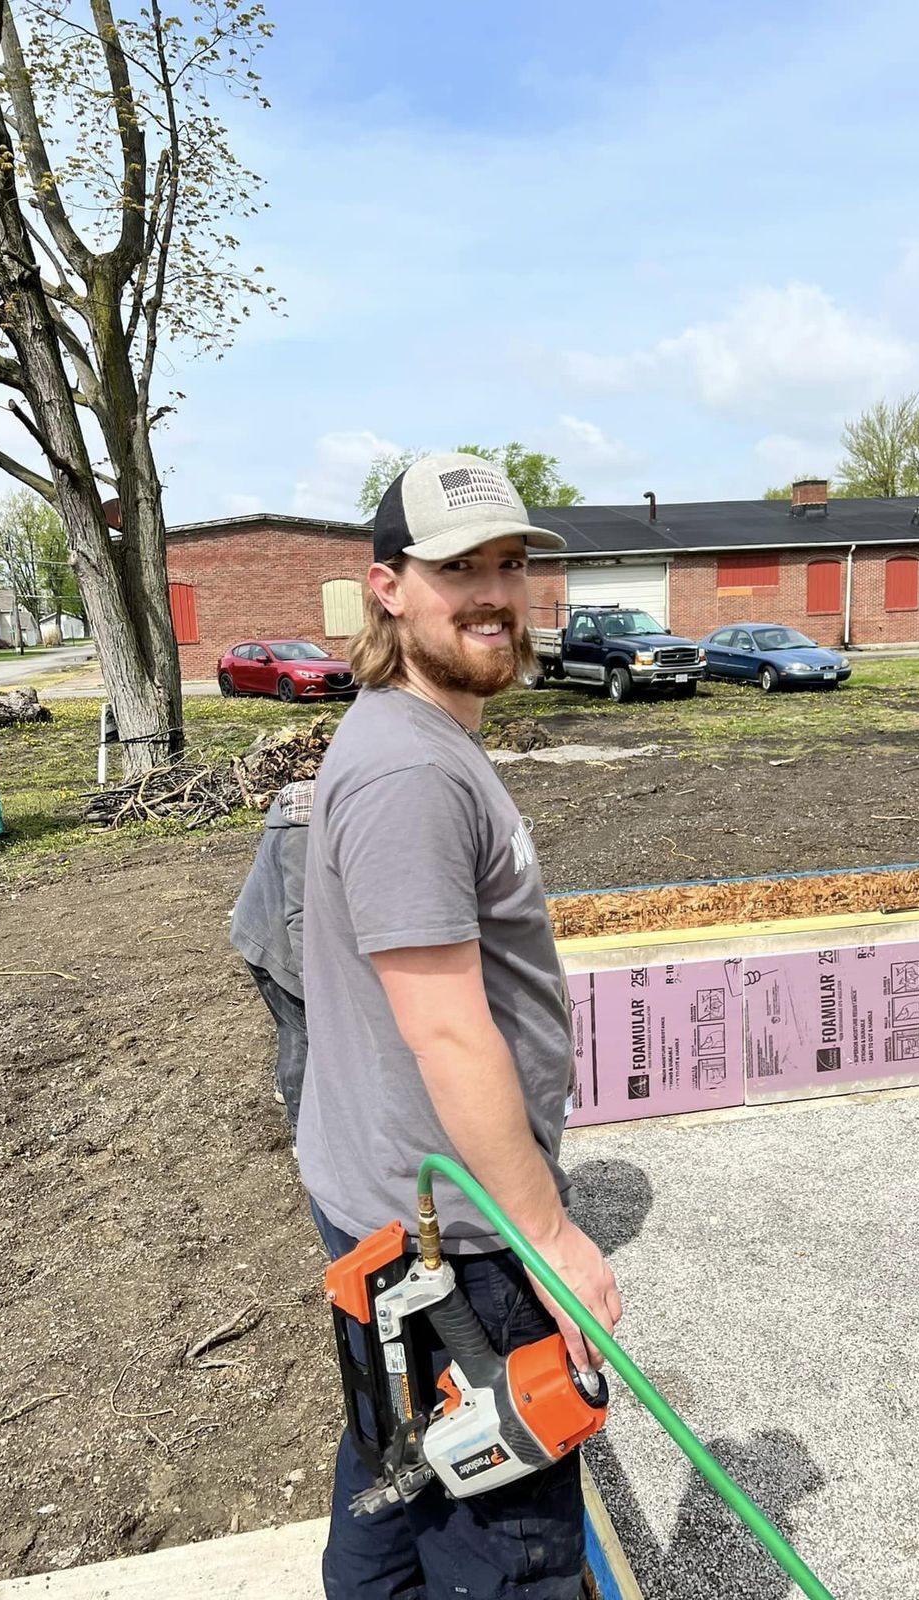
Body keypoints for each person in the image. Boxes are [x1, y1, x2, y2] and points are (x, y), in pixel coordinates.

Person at [298, 452, 622, 1599]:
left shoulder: (416, 740)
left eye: (510, 562)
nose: (493, 591)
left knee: (398, 1475)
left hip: (396, 1216)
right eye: (457, 569)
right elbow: (447, 1031)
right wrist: (552, 1241)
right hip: (459, 1244)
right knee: (514, 1546)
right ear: (389, 586)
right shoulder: (409, 775)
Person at [230, 778, 314, 1151]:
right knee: (302, 1030)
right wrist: (315, 984)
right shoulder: (305, 832)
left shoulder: (310, 810)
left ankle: (284, 1086)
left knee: (290, 1026)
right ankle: (303, 1135)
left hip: (259, 930)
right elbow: (302, 917)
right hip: (273, 944)